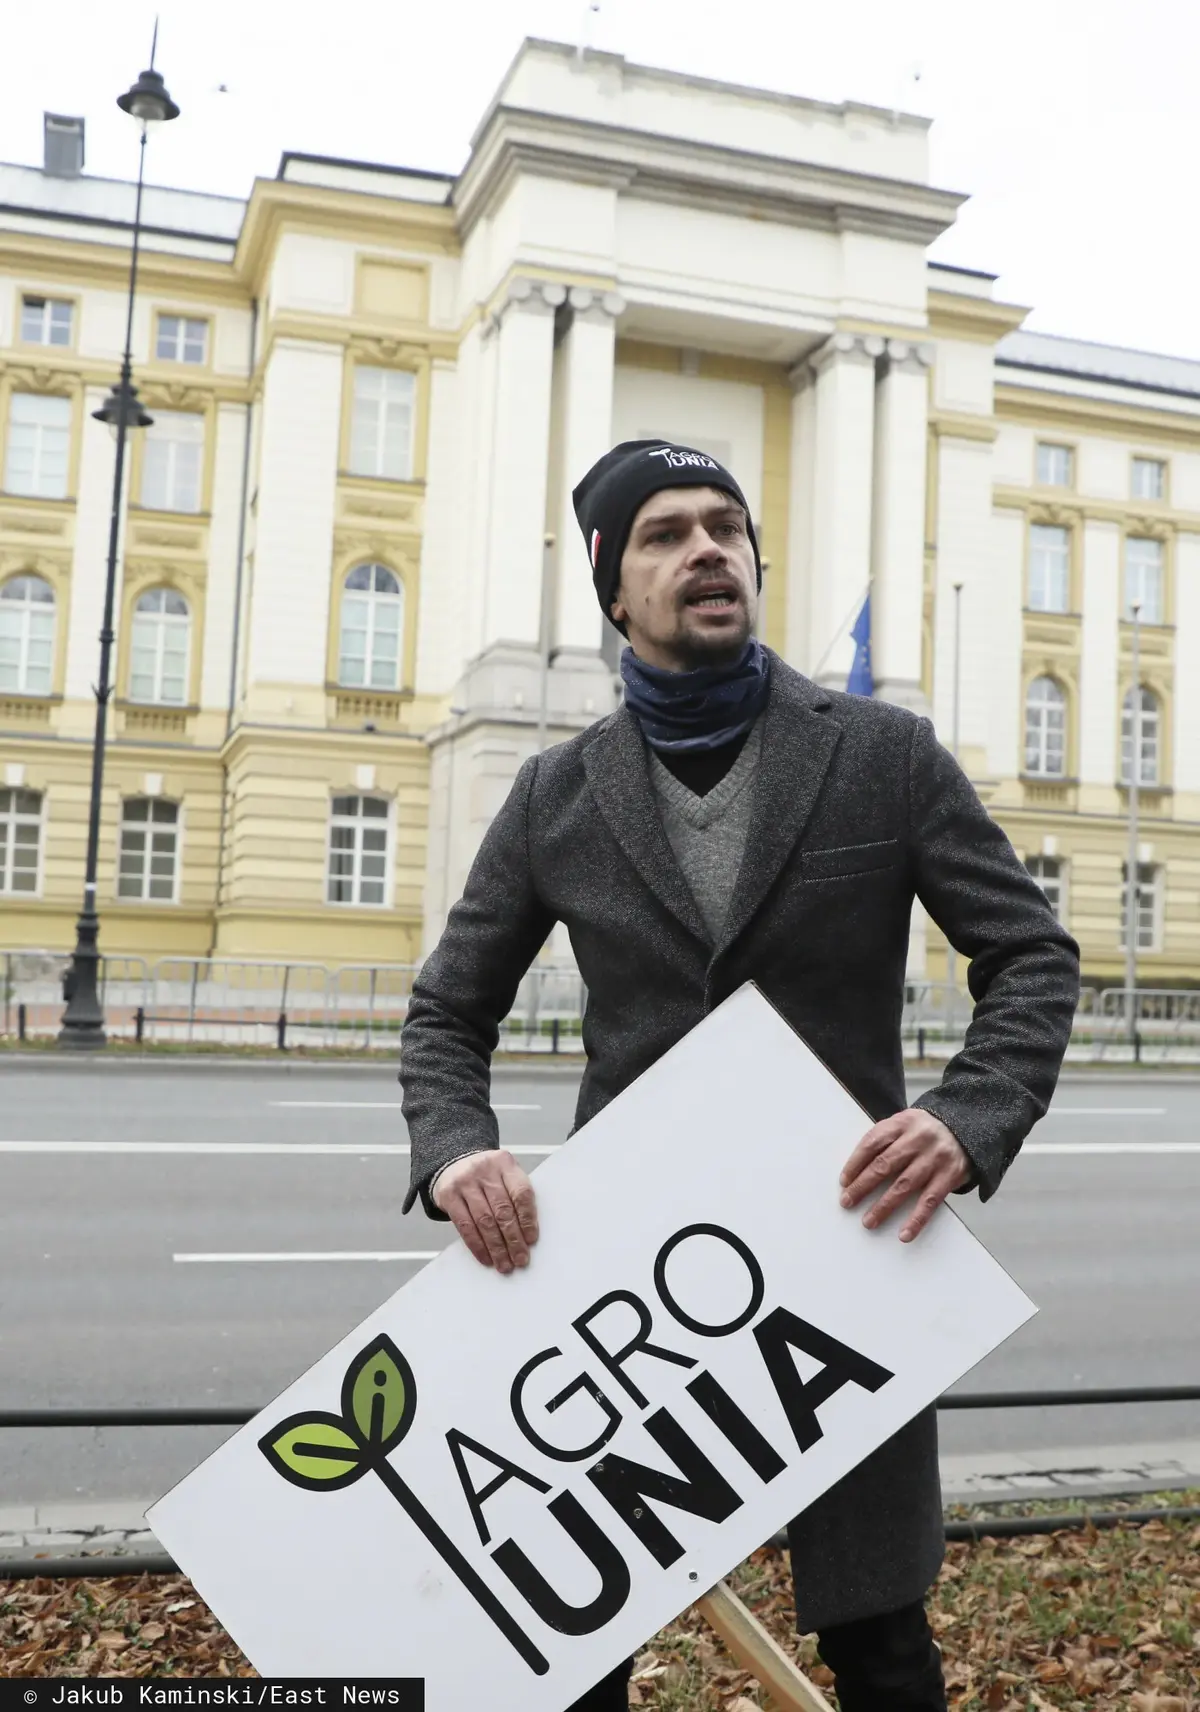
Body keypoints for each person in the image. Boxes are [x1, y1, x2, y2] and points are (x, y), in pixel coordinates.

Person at [399, 439, 1080, 1711]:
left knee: (879, 1633)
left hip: (848, 1255)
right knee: (578, 1638)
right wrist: (455, 1150)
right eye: (664, 533)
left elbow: (1032, 956)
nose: (707, 549)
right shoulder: (555, 793)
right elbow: (447, 1010)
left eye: (726, 526)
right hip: (628, 1290)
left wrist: (966, 1117)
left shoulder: (883, 753)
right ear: (614, 588)